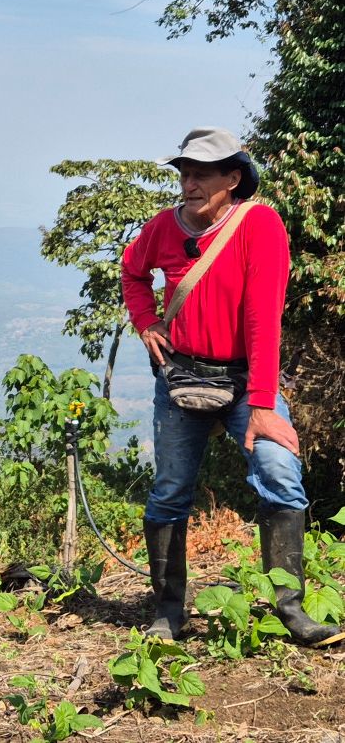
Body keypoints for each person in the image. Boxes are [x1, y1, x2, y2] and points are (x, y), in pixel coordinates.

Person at [121, 126, 345, 648]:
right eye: (185, 173)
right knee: (170, 490)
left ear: (233, 179)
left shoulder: (258, 225)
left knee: (280, 474)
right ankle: (168, 612)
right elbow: (133, 273)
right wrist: (146, 321)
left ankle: (290, 608)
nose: (189, 184)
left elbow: (263, 319)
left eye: (202, 174)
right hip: (181, 376)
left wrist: (263, 405)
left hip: (247, 382)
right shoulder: (162, 228)